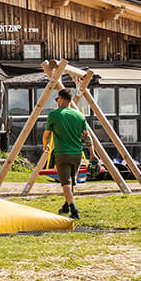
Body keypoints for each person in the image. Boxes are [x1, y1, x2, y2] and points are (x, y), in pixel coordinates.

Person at [43, 88, 89, 219]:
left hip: (62, 153)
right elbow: (87, 136)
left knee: (65, 183)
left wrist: (45, 145)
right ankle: (66, 205)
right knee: (72, 182)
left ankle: (73, 209)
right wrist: (92, 153)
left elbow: (46, 135)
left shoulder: (54, 114)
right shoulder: (80, 116)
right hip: (77, 153)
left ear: (61, 99)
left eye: (57, 99)